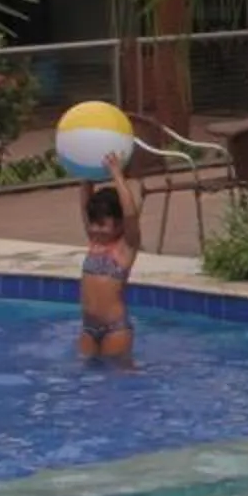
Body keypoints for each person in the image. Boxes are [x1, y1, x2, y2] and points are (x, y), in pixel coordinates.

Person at [77, 154, 142, 362]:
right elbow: (84, 200)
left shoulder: (125, 247)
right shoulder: (95, 242)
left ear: (120, 224)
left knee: (118, 386)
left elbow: (130, 213)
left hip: (115, 330)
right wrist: (87, 168)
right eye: (93, 223)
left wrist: (116, 173)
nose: (95, 229)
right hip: (88, 328)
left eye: (102, 224)